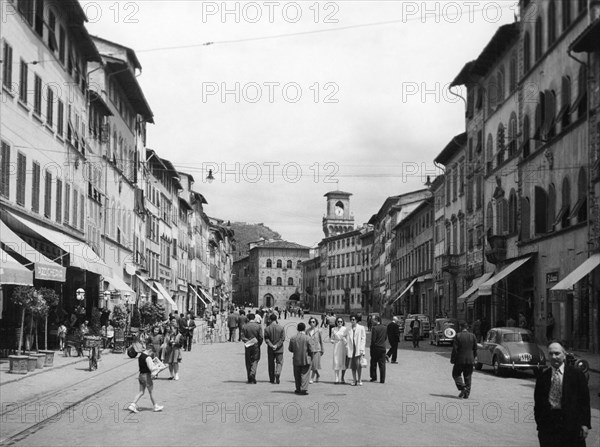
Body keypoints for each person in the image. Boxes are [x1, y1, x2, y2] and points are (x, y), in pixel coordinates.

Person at [534, 340, 591, 447]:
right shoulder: (543, 377)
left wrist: (585, 424)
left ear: (564, 355)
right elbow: (538, 404)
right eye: (551, 354)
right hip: (548, 427)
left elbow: (584, 401)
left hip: (571, 426)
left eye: (557, 353)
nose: (554, 357)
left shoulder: (576, 375)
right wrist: (540, 424)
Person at [127, 345, 164, 413]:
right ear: (150, 350)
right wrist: (160, 367)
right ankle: (155, 406)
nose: (152, 354)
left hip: (140, 375)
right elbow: (151, 368)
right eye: (152, 352)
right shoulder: (148, 358)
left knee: (141, 392)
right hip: (146, 376)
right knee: (151, 392)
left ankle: (132, 404)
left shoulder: (141, 356)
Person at [450, 321, 477, 399]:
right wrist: (474, 357)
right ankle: (467, 393)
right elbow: (475, 349)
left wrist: (453, 359)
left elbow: (455, 349)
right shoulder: (473, 336)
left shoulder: (458, 336)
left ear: (460, 327)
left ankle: (462, 387)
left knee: (456, 374)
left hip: (460, 360)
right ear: (467, 327)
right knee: (468, 376)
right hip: (470, 360)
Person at [288, 322, 313, 395]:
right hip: (306, 358)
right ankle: (303, 389)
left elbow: (290, 349)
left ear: (297, 329)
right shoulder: (308, 338)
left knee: (297, 374)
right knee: (305, 374)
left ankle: (298, 388)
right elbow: (311, 349)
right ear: (305, 329)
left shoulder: (293, 338)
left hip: (296, 358)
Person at [241, 313, 263, 384]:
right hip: (256, 345)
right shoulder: (258, 326)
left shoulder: (244, 326)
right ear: (254, 318)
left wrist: (248, 341)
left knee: (248, 361)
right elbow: (261, 337)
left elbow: (242, 336)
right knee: (255, 360)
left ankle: (249, 377)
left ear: (248, 318)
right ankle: (252, 373)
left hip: (248, 345)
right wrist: (258, 344)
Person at [264, 313, 285, 384]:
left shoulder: (267, 328)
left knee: (271, 363)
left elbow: (266, 339)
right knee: (279, 362)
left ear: (270, 320)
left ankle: (272, 379)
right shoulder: (281, 328)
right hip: (279, 349)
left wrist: (271, 345)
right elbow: (282, 339)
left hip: (270, 349)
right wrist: (277, 345)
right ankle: (278, 372)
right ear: (276, 319)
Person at [346, 313, 366, 386]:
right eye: (351, 319)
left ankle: (359, 379)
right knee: (353, 366)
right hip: (351, 349)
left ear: (356, 320)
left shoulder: (361, 328)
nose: (352, 321)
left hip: (358, 349)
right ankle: (354, 380)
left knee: (359, 365)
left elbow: (363, 339)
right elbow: (344, 336)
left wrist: (362, 349)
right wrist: (346, 344)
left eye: (353, 319)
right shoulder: (348, 328)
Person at [369, 315, 387, 383]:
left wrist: (372, 347)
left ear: (376, 320)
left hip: (375, 348)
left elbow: (373, 340)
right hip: (382, 347)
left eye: (373, 320)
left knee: (373, 363)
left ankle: (374, 377)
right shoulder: (385, 327)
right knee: (382, 364)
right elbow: (385, 337)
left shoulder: (374, 328)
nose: (371, 321)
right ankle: (382, 379)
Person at [306, 317, 324, 384]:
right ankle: (317, 374)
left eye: (313, 322)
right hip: (309, 349)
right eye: (311, 322)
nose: (312, 323)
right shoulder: (307, 331)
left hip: (317, 349)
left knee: (314, 364)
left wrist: (322, 349)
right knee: (311, 364)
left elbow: (321, 340)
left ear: (316, 323)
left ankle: (312, 378)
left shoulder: (318, 331)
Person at [331, 317, 348, 384]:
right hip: (336, 346)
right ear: (336, 322)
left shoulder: (345, 329)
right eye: (338, 321)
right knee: (336, 361)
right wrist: (332, 341)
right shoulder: (333, 329)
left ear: (343, 322)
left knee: (343, 361)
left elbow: (347, 337)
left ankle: (342, 378)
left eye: (341, 321)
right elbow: (332, 338)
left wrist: (345, 340)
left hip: (343, 346)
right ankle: (336, 378)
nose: (340, 323)